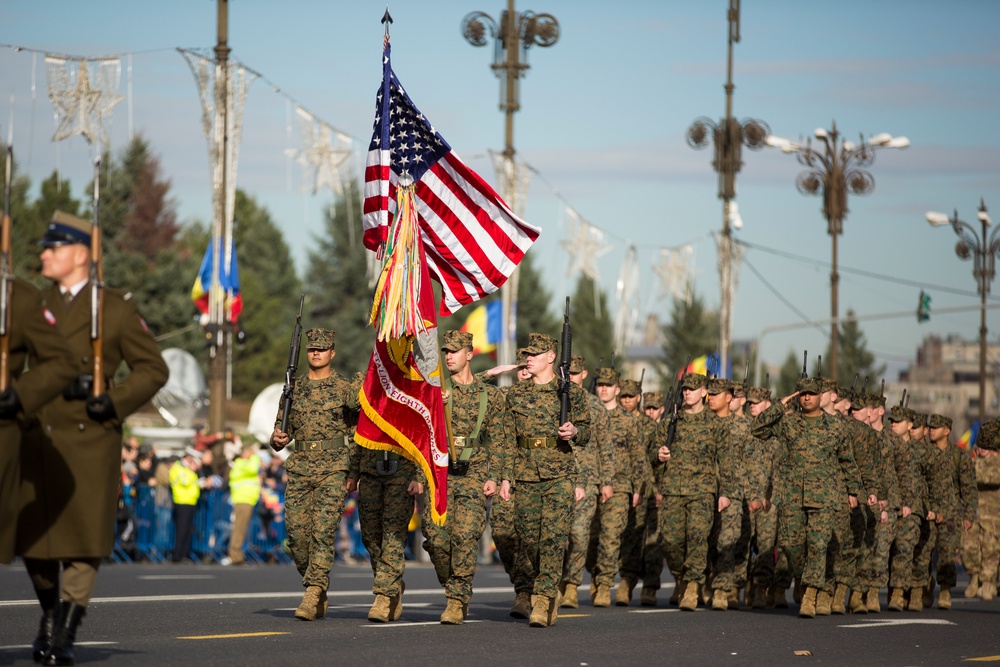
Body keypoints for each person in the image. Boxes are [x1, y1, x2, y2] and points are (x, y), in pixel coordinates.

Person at [17, 210, 168, 665]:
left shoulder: (115, 308)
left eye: (54, 247)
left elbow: (153, 369)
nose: (43, 254)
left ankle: (66, 627)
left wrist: (115, 401)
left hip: (89, 432)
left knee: (83, 539)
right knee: (35, 538)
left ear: (81, 255)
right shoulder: (30, 304)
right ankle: (48, 611)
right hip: (37, 434)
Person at [749, 376, 862, 618]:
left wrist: (853, 491)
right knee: (791, 546)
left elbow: (847, 461)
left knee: (819, 546)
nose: (807, 397)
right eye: (803, 394)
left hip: (824, 497)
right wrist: (780, 404)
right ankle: (810, 580)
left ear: (821, 396)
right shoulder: (789, 424)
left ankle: (813, 594)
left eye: (812, 393)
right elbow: (756, 428)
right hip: (792, 496)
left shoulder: (836, 426)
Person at [499, 332, 590, 628]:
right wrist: (505, 477)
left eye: (535, 354)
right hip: (525, 474)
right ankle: (545, 587)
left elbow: (587, 432)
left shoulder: (569, 393)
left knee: (552, 538)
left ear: (551, 357)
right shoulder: (516, 394)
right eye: (527, 354)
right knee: (529, 539)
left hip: (559, 473)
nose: (529, 358)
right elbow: (507, 440)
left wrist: (574, 432)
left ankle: (543, 599)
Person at [270, 327, 359, 622]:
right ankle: (317, 587)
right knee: (297, 537)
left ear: (332, 353)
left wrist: (354, 470)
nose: (316, 353)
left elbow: (360, 432)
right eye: (312, 349)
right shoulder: (293, 389)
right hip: (301, 467)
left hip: (334, 468)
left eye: (322, 349)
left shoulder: (345, 389)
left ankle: (313, 591)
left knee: (322, 533)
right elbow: (281, 431)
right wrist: (278, 439)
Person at [421, 330, 506, 624]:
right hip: (440, 474)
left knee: (465, 537)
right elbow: (423, 437)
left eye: (455, 351)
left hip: (474, 473)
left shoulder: (490, 395)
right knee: (436, 538)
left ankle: (457, 599)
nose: (449, 357)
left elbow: (497, 439)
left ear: (469, 354)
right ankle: (452, 584)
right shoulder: (435, 392)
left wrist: (495, 476)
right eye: (446, 352)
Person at [652, 372, 733, 611]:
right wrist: (658, 455)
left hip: (702, 491)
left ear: (703, 392)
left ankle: (692, 586)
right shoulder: (670, 422)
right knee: (671, 542)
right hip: (673, 490)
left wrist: (725, 492)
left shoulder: (715, 423)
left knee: (698, 537)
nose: (687, 392)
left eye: (692, 388)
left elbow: (726, 460)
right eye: (684, 388)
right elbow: (653, 455)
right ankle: (681, 576)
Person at [559, 356, 613, 611]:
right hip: (558, 477)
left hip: (589, 480)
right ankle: (554, 584)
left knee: (580, 536)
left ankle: (571, 585)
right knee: (555, 537)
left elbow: (605, 446)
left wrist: (607, 481)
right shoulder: (556, 400)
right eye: (567, 373)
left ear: (584, 375)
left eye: (575, 373)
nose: (570, 377)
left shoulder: (595, 406)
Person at [924, 413, 977, 609]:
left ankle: (945, 590)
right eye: (930, 427)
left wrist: (969, 515)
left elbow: (969, 487)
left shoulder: (959, 456)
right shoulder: (925, 452)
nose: (931, 430)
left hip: (951, 514)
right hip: (928, 511)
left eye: (936, 427)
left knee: (947, 553)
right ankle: (926, 586)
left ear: (947, 431)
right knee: (925, 553)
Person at [615, 377, 655, 606]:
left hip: (647, 489)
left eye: (631, 397)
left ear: (638, 397)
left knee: (650, 542)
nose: (627, 401)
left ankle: (647, 585)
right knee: (626, 538)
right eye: (624, 397)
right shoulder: (617, 421)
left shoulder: (650, 426)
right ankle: (627, 580)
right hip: (622, 487)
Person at [226, 441, 262, 566]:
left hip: (247, 499)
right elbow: (253, 468)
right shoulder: (241, 463)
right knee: (239, 529)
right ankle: (235, 555)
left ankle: (236, 554)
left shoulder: (241, 464)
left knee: (241, 529)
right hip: (243, 499)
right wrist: (255, 456)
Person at [169, 448, 204, 563]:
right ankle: (177, 556)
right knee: (182, 529)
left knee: (188, 530)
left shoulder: (188, 470)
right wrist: (192, 470)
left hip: (191, 502)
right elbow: (184, 482)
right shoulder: (178, 468)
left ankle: (184, 554)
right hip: (182, 502)